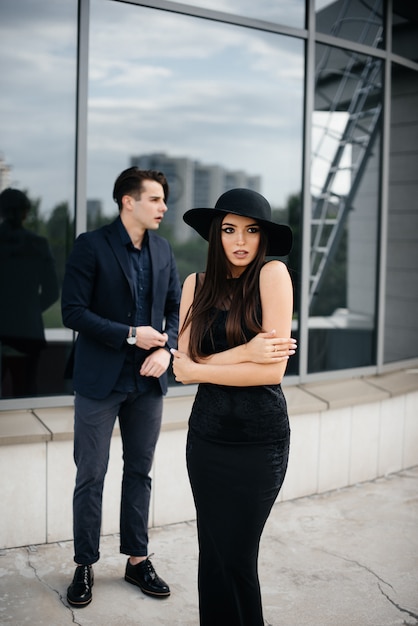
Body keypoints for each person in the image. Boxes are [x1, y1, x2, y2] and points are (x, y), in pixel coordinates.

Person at [171, 188, 296, 626]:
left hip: (258, 443)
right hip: (206, 441)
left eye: (251, 230)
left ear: (263, 237)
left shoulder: (272, 275)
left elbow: (270, 374)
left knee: (239, 559)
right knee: (212, 555)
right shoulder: (196, 285)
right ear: (215, 235)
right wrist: (246, 352)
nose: (240, 240)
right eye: (229, 230)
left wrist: (207, 365)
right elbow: (181, 370)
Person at [61, 167, 181, 608]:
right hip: (99, 381)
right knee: (90, 475)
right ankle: (85, 564)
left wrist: (165, 349)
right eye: (155, 199)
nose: (163, 207)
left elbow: (173, 309)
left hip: (148, 383)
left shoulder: (165, 250)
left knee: (139, 473)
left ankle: (137, 560)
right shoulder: (90, 246)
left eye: (163, 200)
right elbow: (71, 312)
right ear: (128, 201)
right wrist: (131, 335)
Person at [0, 188, 59, 397]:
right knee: (25, 396)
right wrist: (30, 310)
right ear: (25, 213)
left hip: (9, 329)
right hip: (27, 332)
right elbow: (52, 291)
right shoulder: (38, 244)